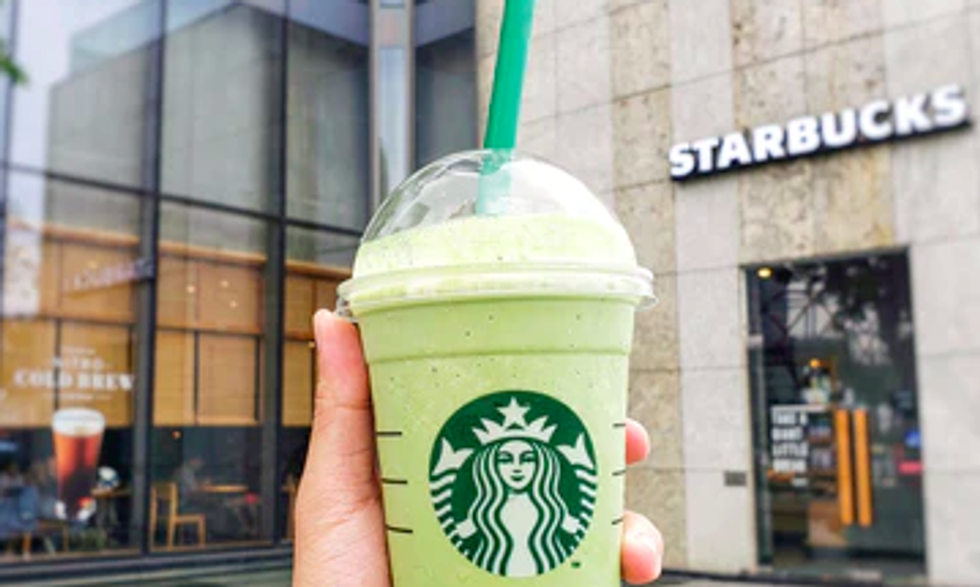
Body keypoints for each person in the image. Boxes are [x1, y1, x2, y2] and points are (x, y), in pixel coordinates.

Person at [293, 310, 664, 586]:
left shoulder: (558, 519)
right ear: (488, 465)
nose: (516, 467)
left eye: (527, 457)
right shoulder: (475, 522)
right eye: (505, 458)